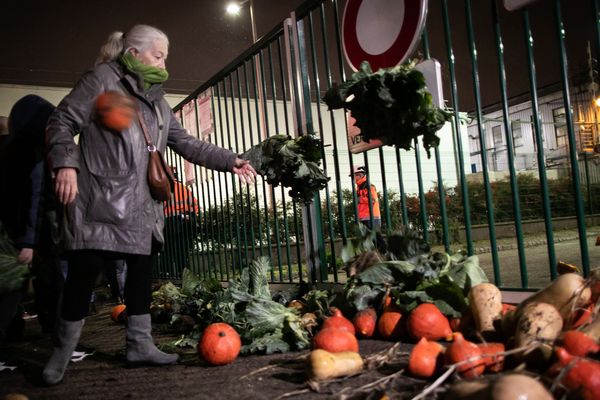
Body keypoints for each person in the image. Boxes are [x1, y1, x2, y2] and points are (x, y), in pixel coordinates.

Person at [42, 24, 256, 385]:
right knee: (84, 270)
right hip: (99, 198)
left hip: (142, 202)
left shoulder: (156, 97)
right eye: (159, 55)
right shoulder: (101, 79)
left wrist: (229, 160)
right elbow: (60, 121)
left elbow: (185, 141)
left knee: (141, 270)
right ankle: (61, 353)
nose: (164, 62)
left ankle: (139, 346)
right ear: (134, 54)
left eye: (166, 56)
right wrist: (65, 163)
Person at [0, 96, 64, 340]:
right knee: (47, 280)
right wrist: (28, 241)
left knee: (11, 285)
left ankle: (14, 333)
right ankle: (56, 334)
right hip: (36, 230)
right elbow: (35, 195)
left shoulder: (9, 150)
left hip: (11, 229)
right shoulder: (34, 151)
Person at [161, 168, 199, 272]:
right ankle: (183, 273)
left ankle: (168, 274)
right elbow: (194, 205)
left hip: (169, 224)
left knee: (168, 251)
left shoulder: (164, 188)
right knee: (182, 251)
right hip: (184, 222)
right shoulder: (183, 188)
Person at [351, 165, 386, 252]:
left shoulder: (369, 186)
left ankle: (385, 253)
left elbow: (372, 200)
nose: (353, 178)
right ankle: (380, 255)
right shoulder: (359, 187)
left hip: (372, 217)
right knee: (371, 240)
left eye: (354, 176)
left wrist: (359, 199)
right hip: (365, 217)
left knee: (376, 238)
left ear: (360, 175)